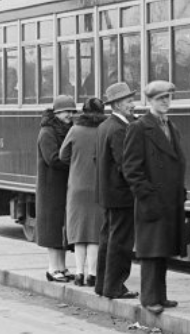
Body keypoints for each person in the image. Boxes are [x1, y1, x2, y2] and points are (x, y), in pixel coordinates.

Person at [121, 80, 187, 315]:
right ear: (149, 101)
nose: (166, 102)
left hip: (169, 199)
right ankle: (149, 298)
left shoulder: (170, 126)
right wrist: (146, 194)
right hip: (152, 199)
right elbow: (131, 167)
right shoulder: (139, 128)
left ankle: (161, 295)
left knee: (163, 248)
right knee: (151, 250)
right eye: (161, 99)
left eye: (168, 98)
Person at [95, 81, 138, 300]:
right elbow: (125, 163)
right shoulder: (120, 129)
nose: (133, 104)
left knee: (107, 239)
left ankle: (102, 284)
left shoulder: (105, 126)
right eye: (129, 101)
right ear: (118, 104)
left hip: (108, 193)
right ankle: (115, 286)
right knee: (121, 242)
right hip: (121, 195)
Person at [59, 97, 107, 287]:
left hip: (77, 186)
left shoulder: (75, 130)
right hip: (98, 185)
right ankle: (92, 275)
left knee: (79, 232)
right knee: (94, 232)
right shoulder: (103, 130)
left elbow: (63, 155)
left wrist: (77, 162)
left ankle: (79, 273)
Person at [35, 94, 77, 281]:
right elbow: (52, 158)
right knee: (53, 229)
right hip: (51, 188)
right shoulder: (47, 132)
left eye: (71, 111)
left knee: (62, 228)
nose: (70, 115)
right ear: (57, 113)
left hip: (63, 185)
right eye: (66, 112)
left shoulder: (67, 130)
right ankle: (53, 268)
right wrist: (74, 161)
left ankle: (62, 267)